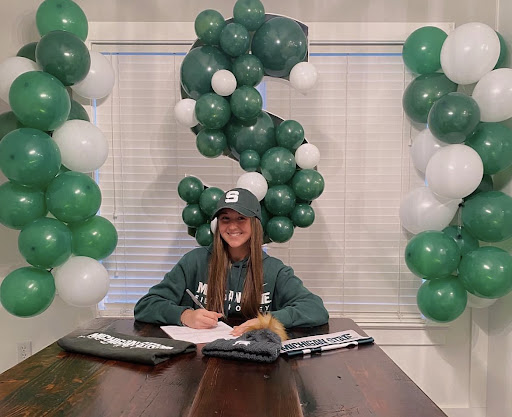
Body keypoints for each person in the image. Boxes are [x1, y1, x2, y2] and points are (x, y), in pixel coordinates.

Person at [134, 187, 329, 336]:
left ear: (254, 223)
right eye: (225, 219)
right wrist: (185, 315)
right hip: (201, 361)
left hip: (255, 365)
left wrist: (266, 321)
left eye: (241, 218)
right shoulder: (194, 261)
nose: (232, 226)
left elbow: (315, 308)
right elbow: (145, 306)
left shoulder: (274, 270)